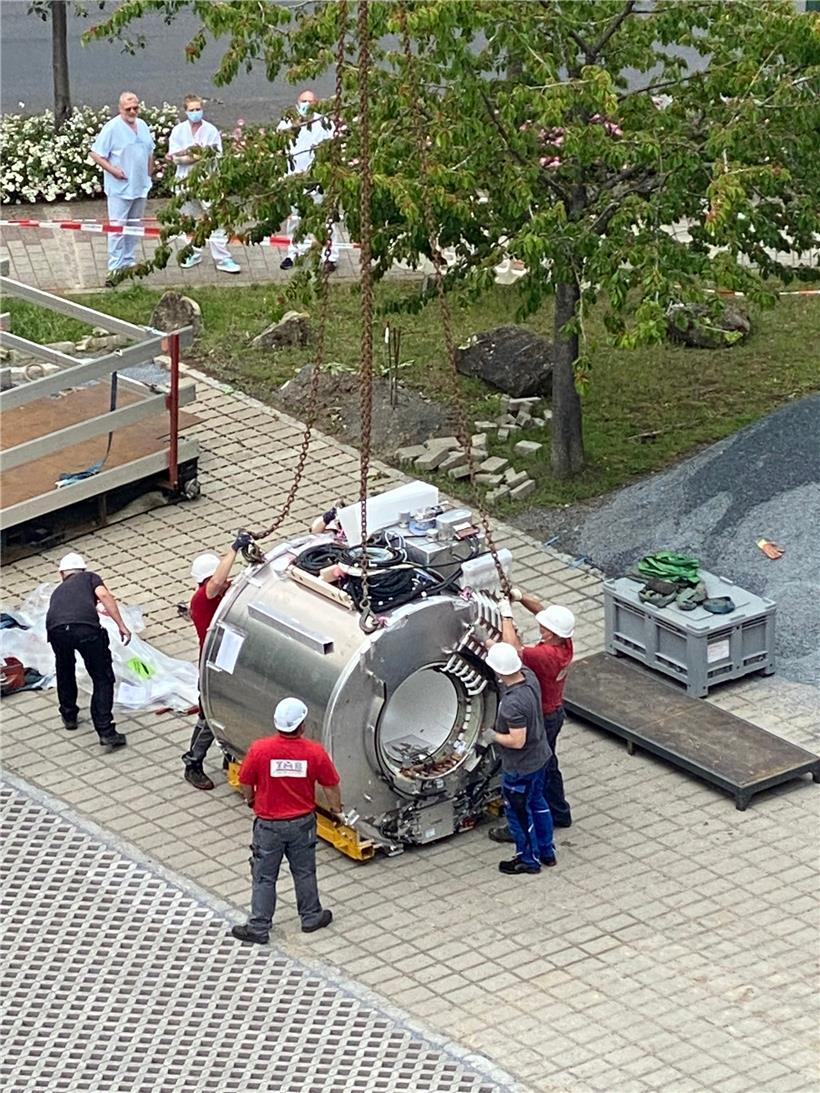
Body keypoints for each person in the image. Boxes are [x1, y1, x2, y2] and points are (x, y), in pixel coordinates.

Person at [231, 697, 342, 943]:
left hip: (268, 826)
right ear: (301, 725)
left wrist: (251, 800)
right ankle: (311, 916)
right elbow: (331, 784)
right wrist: (336, 810)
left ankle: (258, 927)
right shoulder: (314, 752)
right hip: (302, 824)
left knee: (264, 876)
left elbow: (245, 780)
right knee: (304, 871)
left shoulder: (260, 749)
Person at [490, 593, 575, 841]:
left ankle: (520, 825)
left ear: (553, 633)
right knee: (549, 764)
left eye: (544, 627)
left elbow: (513, 649)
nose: (540, 627)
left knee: (530, 770)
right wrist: (518, 596)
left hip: (543, 717)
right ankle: (560, 812)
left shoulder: (545, 655)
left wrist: (506, 614)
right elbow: (540, 610)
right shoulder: (564, 643)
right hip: (555, 712)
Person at [183, 533, 253, 790]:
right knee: (208, 714)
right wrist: (233, 550)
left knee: (233, 709)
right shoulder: (202, 598)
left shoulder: (219, 594)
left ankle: (230, 755)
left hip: (229, 660)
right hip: (213, 665)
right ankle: (193, 763)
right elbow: (217, 582)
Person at [45, 553, 131, 749]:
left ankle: (69, 716)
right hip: (86, 629)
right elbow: (103, 595)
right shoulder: (90, 577)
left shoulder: (57, 591)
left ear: (61, 574)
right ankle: (106, 731)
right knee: (102, 677)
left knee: (65, 669)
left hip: (56, 630)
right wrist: (121, 625)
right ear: (83, 570)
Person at [483, 642, 555, 874]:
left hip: (520, 768)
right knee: (538, 803)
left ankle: (528, 860)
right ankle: (547, 851)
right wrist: (488, 643)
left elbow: (517, 741)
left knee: (520, 815)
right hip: (540, 757)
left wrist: (493, 736)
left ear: (498, 671)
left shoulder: (512, 704)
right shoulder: (529, 677)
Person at [167, 94, 241, 275]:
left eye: (198, 109)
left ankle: (222, 257)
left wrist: (187, 157)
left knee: (214, 218)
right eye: (191, 110)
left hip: (207, 181)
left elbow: (208, 156)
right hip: (184, 181)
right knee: (188, 219)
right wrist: (189, 157)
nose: (195, 113)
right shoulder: (178, 131)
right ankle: (194, 251)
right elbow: (174, 157)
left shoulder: (211, 131)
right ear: (185, 111)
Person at [90, 91, 155, 284]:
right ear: (120, 109)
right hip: (120, 188)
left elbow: (150, 150)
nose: (132, 112)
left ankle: (128, 260)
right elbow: (96, 154)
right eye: (128, 109)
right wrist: (113, 170)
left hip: (140, 185)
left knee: (134, 226)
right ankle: (115, 267)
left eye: (135, 108)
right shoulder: (112, 128)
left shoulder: (142, 125)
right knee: (117, 228)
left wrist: (148, 175)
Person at [277, 89, 339, 272]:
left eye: (310, 101)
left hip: (317, 181)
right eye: (303, 101)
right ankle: (294, 253)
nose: (306, 104)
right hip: (294, 181)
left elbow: (333, 150)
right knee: (295, 219)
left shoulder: (325, 122)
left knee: (325, 219)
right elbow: (280, 147)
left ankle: (331, 255)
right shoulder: (287, 123)